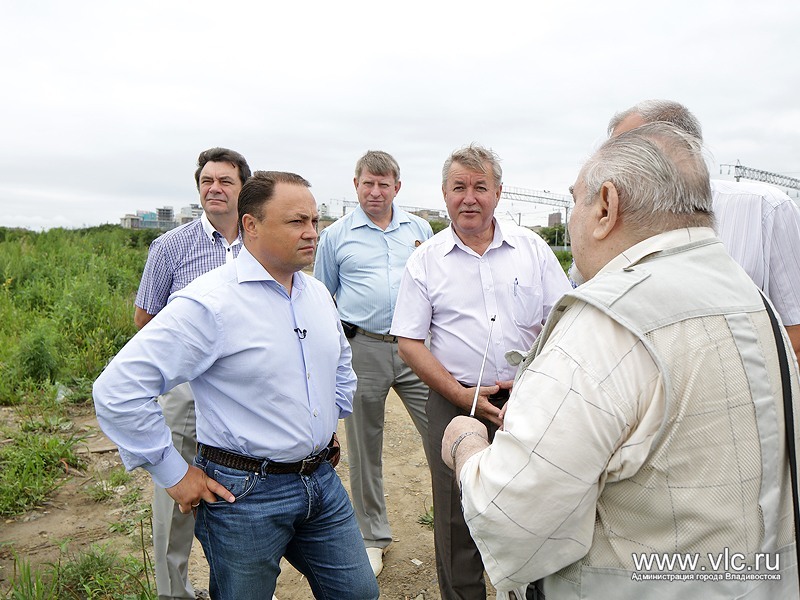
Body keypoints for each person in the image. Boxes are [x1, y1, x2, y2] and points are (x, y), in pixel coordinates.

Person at [443, 123, 800, 599]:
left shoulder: (605, 324)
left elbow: (513, 520)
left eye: (575, 201)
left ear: (606, 206)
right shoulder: (754, 299)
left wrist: (466, 449)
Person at [94, 171, 380, 600]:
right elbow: (118, 388)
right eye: (296, 221)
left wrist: (325, 424)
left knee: (359, 593)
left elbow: (340, 363)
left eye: (315, 221)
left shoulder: (317, 293)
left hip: (320, 481)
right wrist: (173, 473)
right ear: (251, 225)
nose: (311, 233)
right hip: (245, 494)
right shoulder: (210, 302)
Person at [391, 144, 572, 600]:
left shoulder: (531, 249)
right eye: (458, 188)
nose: (469, 198)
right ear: (445, 194)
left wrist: (539, 381)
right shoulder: (426, 260)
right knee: (456, 514)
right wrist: (461, 394)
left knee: (536, 498)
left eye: (480, 187)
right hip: (454, 401)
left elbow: (564, 318)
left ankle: (533, 591)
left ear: (498, 193)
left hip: (530, 398)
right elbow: (409, 341)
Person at [134, 147, 250, 600]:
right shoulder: (170, 247)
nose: (214, 189)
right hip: (186, 391)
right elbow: (147, 318)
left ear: (244, 189)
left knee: (247, 491)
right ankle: (174, 592)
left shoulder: (259, 243)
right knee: (175, 493)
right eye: (207, 181)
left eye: (225, 181)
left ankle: (245, 584)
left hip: (247, 390)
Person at [314, 150, 433, 577]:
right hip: (362, 347)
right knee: (365, 447)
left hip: (415, 348)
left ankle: (464, 525)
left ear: (397, 188)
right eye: (368, 183)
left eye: (384, 184)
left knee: (442, 433)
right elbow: (322, 298)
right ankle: (372, 537)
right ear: (356, 185)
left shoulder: (419, 229)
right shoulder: (336, 236)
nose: (376, 191)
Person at [607, 99, 800, 362]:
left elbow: (795, 333)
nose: (613, 164)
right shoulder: (616, 223)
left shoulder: (764, 209)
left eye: (629, 151)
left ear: (682, 150)